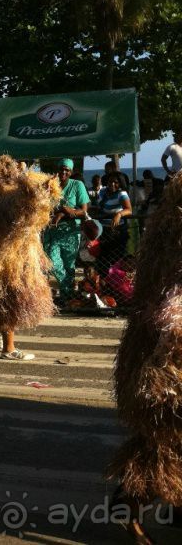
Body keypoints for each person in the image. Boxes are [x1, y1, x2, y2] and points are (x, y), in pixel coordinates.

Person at [107, 172, 182, 543]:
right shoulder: (169, 252)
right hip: (164, 372)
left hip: (159, 366)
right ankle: (130, 513)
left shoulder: (161, 242)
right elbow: (168, 314)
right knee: (159, 450)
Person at [0, 156, 60, 361]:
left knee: (8, 298)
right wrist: (40, 187)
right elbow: (23, 208)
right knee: (11, 298)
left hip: (0, 256)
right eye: (15, 170)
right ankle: (8, 349)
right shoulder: (1, 194)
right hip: (7, 258)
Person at [43, 158, 89, 302]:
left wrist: (63, 212)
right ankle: (68, 291)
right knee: (52, 262)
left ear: (71, 172)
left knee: (69, 267)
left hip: (71, 233)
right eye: (62, 169)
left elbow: (83, 211)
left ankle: (66, 298)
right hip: (53, 232)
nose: (64, 172)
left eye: (67, 170)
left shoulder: (77, 185)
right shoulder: (51, 186)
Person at [96, 172, 132, 275]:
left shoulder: (122, 194)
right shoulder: (102, 191)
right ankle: (104, 283)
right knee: (102, 259)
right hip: (103, 230)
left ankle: (116, 284)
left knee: (116, 259)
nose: (112, 184)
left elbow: (129, 210)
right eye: (110, 181)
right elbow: (100, 206)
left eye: (116, 182)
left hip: (117, 231)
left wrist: (119, 214)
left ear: (120, 183)